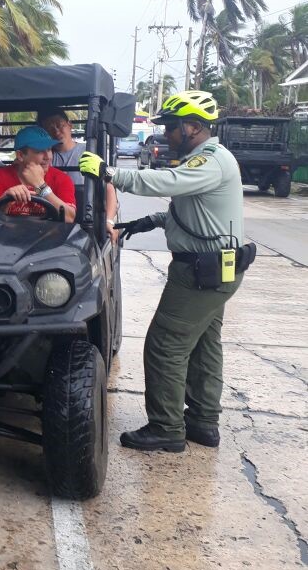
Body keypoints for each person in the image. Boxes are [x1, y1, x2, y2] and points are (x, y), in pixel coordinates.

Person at [79, 91, 248, 453]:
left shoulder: (209, 161)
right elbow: (197, 216)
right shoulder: (211, 160)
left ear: (193, 127)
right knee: (204, 345)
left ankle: (167, 427)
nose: (167, 134)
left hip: (200, 274)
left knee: (165, 345)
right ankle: (203, 422)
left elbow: (166, 182)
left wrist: (109, 173)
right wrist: (146, 222)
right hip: (218, 269)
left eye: (172, 127)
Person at [38, 105, 120, 242]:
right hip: (51, 220)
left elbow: (109, 189)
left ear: (69, 125)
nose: (56, 131)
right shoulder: (44, 157)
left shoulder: (87, 153)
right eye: (50, 128)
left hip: (85, 220)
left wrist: (109, 221)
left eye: (60, 125)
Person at [0, 126, 76, 220]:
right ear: (20, 155)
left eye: (49, 149)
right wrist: (4, 200)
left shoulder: (61, 179)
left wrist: (41, 187)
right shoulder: (1, 175)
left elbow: (69, 218)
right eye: (39, 151)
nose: (48, 157)